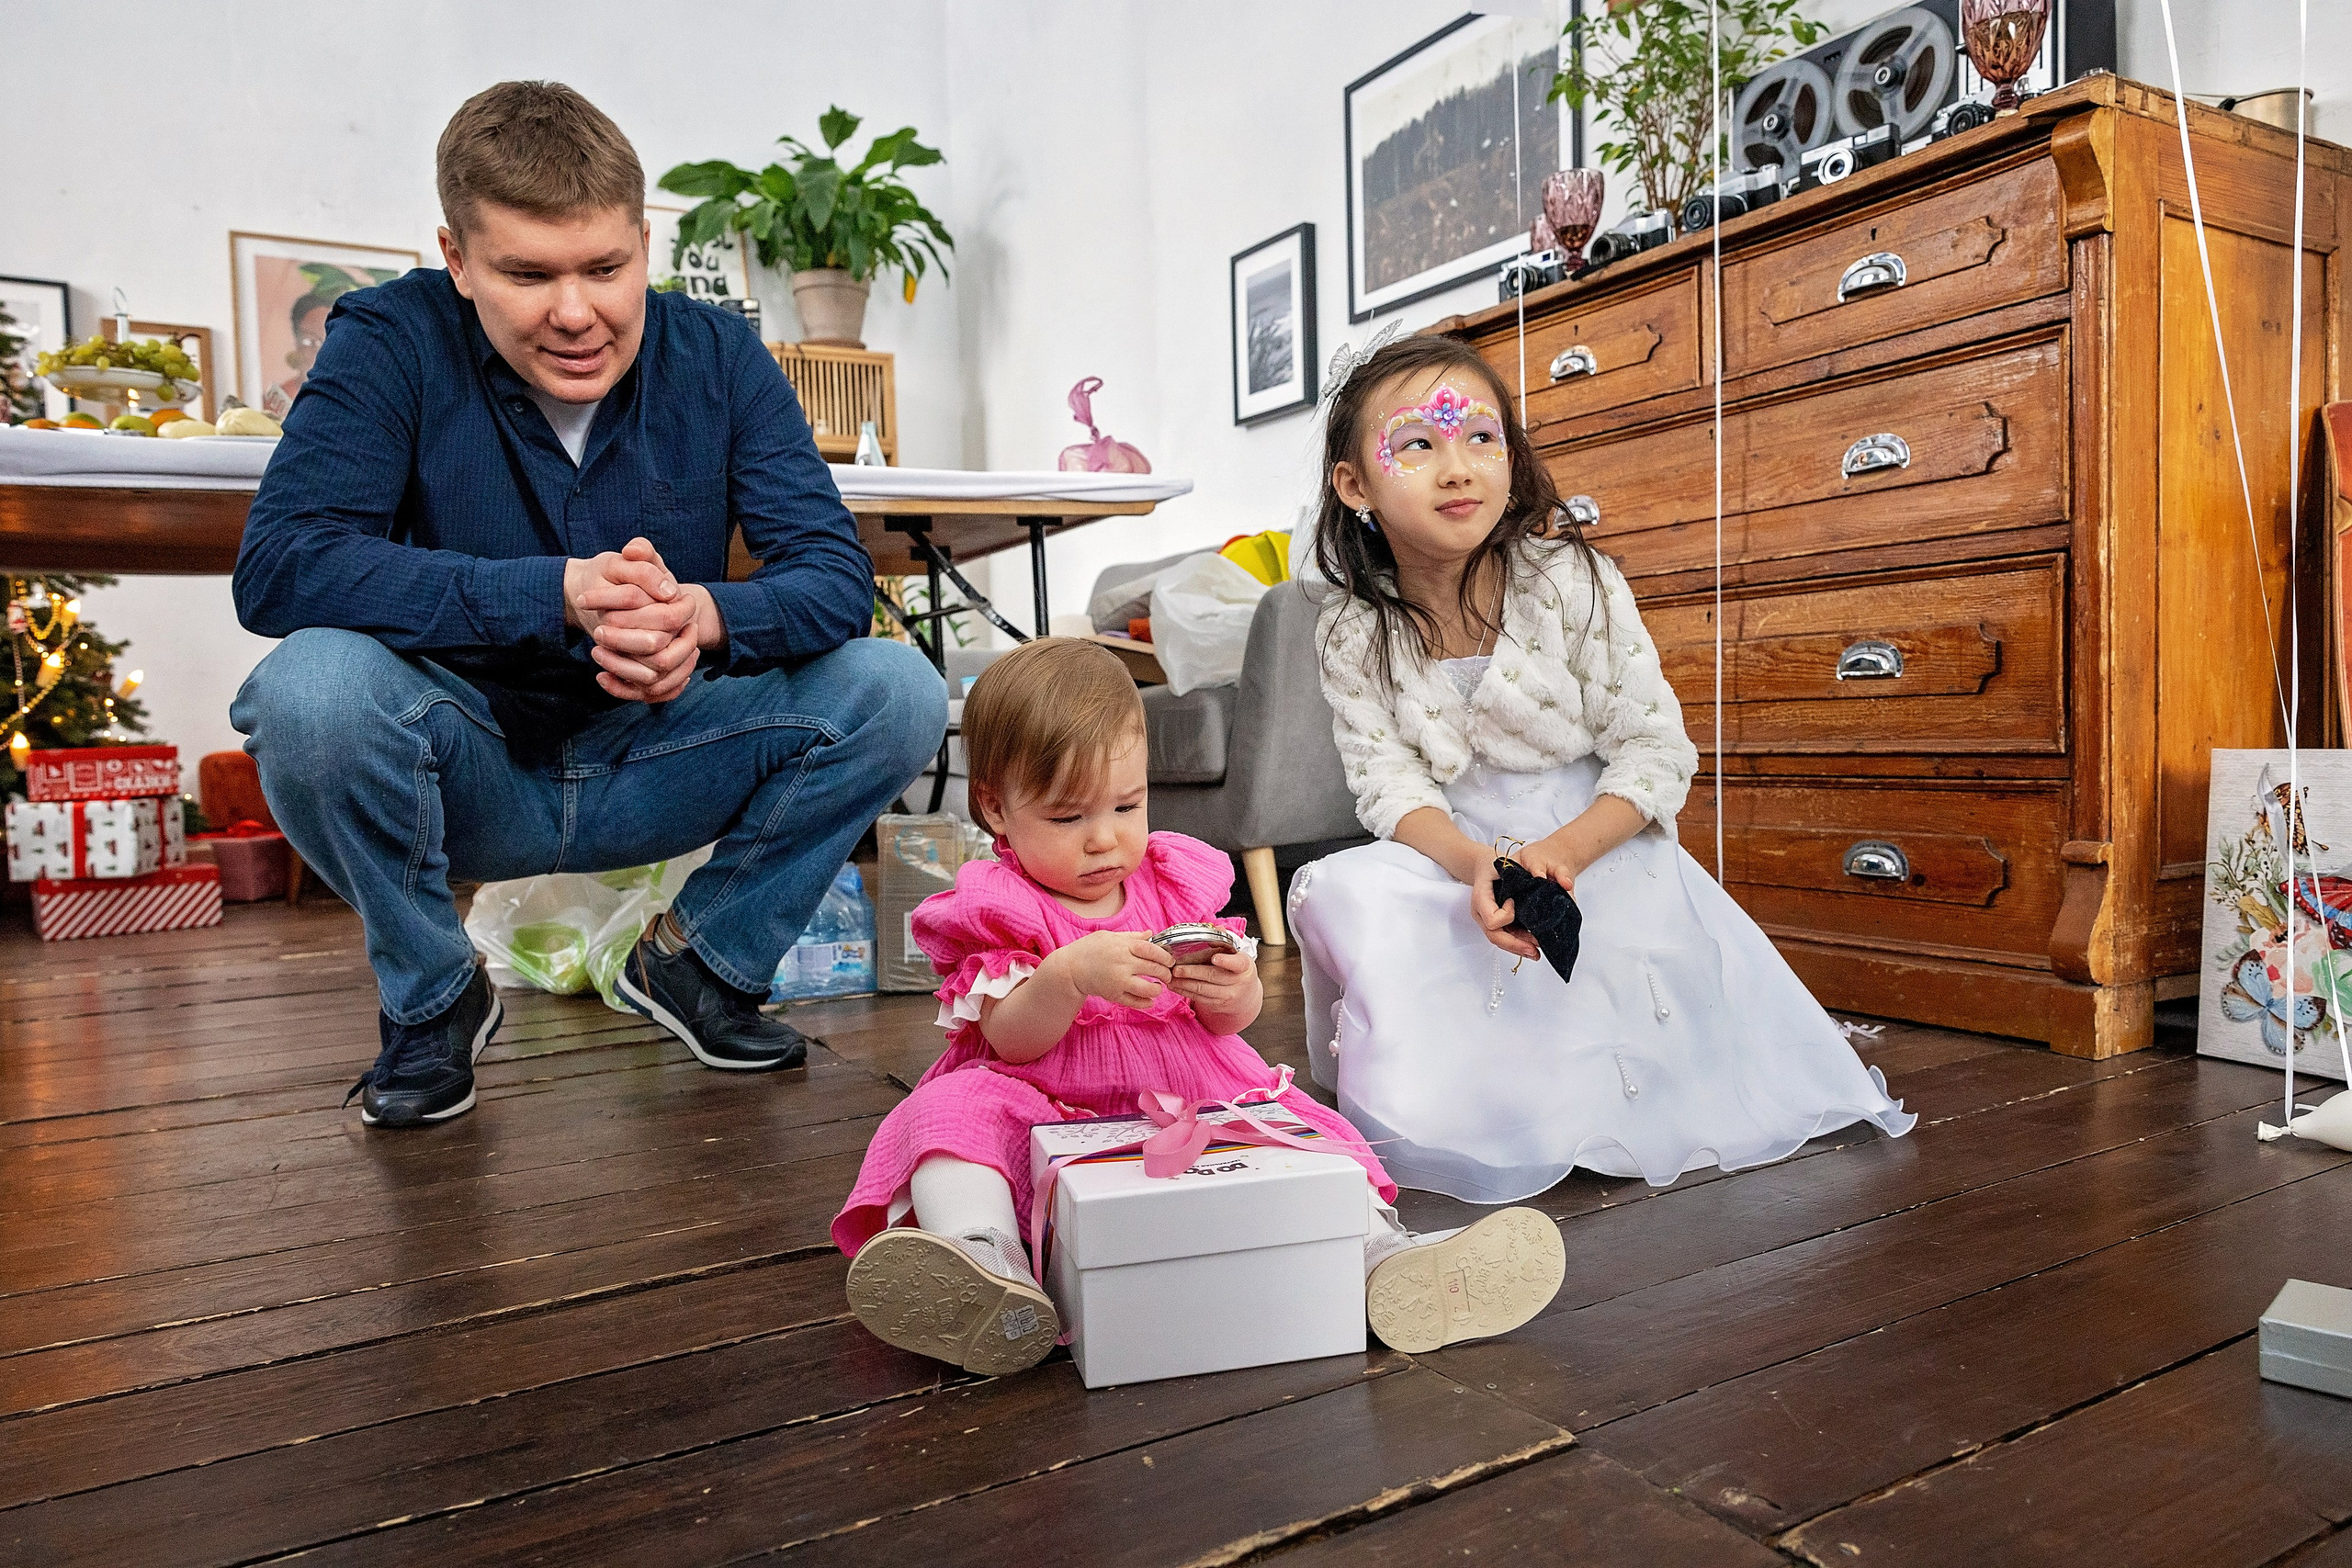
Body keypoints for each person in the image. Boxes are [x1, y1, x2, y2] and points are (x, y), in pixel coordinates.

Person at [230, 81, 943, 1129]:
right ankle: (432, 997)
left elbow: (833, 576)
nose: (576, 313)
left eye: (606, 268)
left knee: (896, 685)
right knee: (309, 691)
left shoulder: (719, 356)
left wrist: (701, 619)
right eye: (527, 273)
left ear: (643, 243)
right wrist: (555, 594)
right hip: (466, 765)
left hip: (661, 755)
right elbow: (284, 567)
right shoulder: (389, 341)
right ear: (457, 258)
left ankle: (701, 966)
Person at [1288, 334, 1917, 1203]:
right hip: (1461, 847)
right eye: (1418, 445)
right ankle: (1459, 1103)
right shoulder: (1352, 633)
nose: (1457, 467)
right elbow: (1388, 785)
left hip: (1598, 834)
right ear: (1354, 484)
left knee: (1594, 986)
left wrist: (1568, 854)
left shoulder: (1570, 583)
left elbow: (1657, 749)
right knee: (1341, 890)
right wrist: (1477, 866)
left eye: (1480, 438)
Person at [830, 638, 1566, 1375]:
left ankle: (1381, 1254)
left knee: (1295, 1124)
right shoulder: (998, 901)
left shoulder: (1172, 880)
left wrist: (1234, 993)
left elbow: (1229, 1018)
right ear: (995, 805)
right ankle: (984, 1263)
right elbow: (1010, 1038)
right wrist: (1067, 974)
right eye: (1066, 817)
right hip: (1040, 1097)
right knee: (946, 1117)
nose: (1105, 838)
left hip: (1187, 1088)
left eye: (1126, 804)